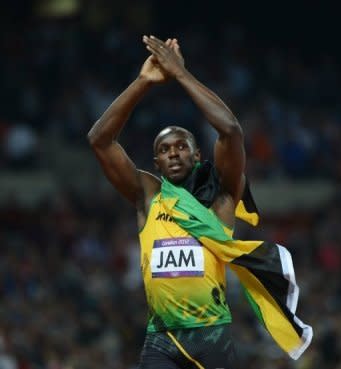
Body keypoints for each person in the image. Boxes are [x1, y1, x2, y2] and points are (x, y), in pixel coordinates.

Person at [88, 35, 311, 369]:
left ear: (197, 155)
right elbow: (100, 140)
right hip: (161, 338)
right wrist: (143, 82)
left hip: (212, 339)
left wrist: (180, 74)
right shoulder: (148, 195)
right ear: (156, 162)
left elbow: (231, 131)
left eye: (180, 146)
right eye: (164, 150)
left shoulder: (220, 197)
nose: (173, 153)